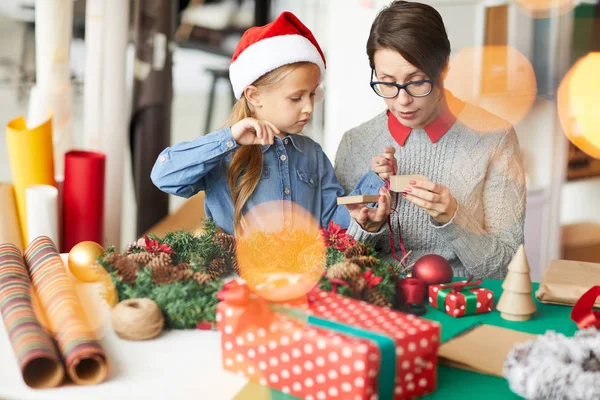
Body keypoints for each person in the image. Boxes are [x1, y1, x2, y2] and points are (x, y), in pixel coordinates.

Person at [151, 11, 391, 235]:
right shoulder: (225, 154)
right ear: (254, 96)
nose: (308, 106)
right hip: (235, 278)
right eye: (296, 98)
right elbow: (165, 177)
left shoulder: (313, 155)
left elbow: (332, 220)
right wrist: (229, 139)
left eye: (312, 95)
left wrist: (372, 183)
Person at [334, 1, 526, 279]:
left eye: (417, 81)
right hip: (377, 306)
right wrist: (367, 230)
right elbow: (337, 265)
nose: (402, 100)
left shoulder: (495, 138)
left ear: (444, 68)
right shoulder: (355, 143)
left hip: (461, 304)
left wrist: (453, 219)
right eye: (387, 82)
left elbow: (508, 269)